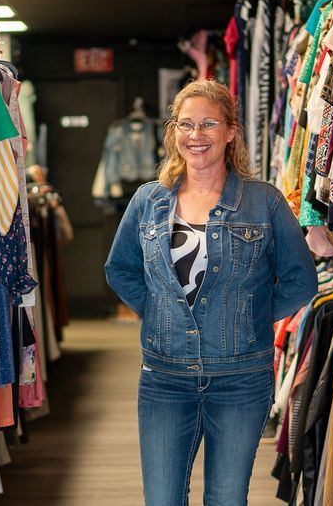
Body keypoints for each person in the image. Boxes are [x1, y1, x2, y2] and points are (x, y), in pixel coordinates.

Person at [105, 79, 317, 505]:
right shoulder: (149, 200)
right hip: (164, 378)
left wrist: (250, 316)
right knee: (163, 498)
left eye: (207, 124)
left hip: (241, 378)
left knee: (225, 498)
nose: (195, 136)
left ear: (230, 131)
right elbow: (121, 269)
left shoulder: (265, 202)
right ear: (173, 132)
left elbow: (301, 279)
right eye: (185, 124)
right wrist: (164, 312)